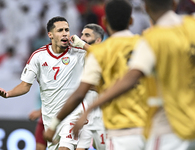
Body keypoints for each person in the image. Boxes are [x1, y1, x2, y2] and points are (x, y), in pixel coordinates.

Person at [72, 0, 195, 150]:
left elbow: (130, 78)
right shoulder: (189, 27)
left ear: (146, 9)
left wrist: (92, 106)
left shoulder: (151, 39)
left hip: (170, 127)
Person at [43, 1, 149, 150]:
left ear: (104, 22)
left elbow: (79, 94)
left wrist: (54, 124)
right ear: (131, 21)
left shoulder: (100, 54)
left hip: (121, 130)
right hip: (149, 129)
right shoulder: (146, 44)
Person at [0, 16, 90, 150]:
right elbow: (25, 85)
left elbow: (102, 57)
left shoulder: (78, 53)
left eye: (67, 30)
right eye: (60, 30)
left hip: (73, 115)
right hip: (50, 120)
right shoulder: (38, 56)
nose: (65, 33)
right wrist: (8, 93)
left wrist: (83, 44)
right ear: (50, 35)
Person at [76, 23, 106, 150]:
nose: (82, 38)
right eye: (82, 34)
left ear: (98, 40)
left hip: (102, 115)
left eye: (87, 35)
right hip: (82, 115)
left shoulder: (105, 54)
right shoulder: (77, 56)